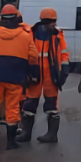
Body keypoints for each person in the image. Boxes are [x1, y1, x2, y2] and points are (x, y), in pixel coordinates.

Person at [0, 4, 39, 150]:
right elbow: (33, 57)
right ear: (16, 18)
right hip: (16, 76)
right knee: (13, 108)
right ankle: (11, 142)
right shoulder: (24, 36)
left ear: (2, 18)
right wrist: (31, 72)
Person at [18, 8, 69, 144]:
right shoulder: (31, 33)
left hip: (51, 75)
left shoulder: (57, 35)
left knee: (51, 105)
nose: (53, 24)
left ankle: (51, 135)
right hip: (35, 74)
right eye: (51, 21)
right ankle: (26, 133)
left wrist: (64, 70)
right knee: (29, 104)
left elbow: (64, 54)